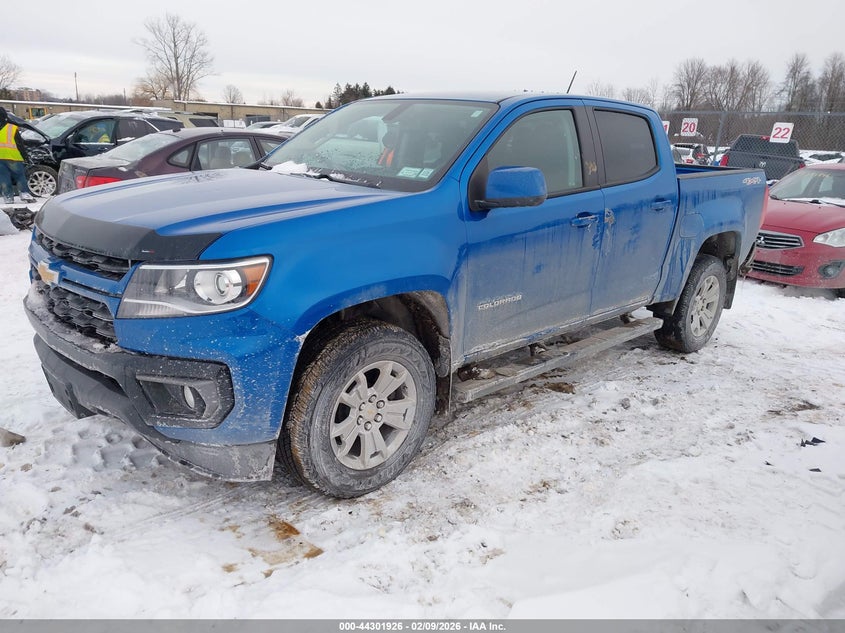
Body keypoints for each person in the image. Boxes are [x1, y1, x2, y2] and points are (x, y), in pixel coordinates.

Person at [0, 106, 36, 204]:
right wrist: (26, 157)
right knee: (19, 176)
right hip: (13, 157)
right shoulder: (11, 128)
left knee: (3, 178)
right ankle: (24, 193)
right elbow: (20, 144)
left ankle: (8, 197)